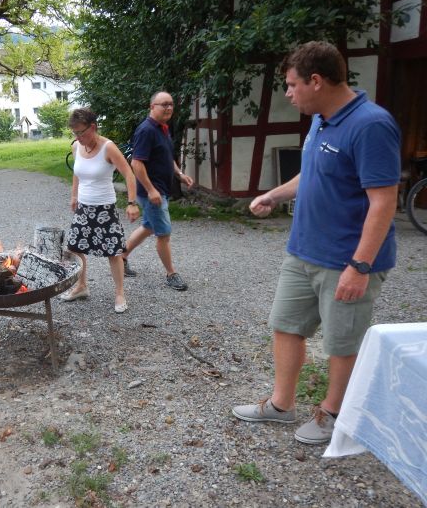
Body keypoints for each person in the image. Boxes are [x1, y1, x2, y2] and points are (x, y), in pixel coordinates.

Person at [232, 41, 401, 445]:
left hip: (346, 260)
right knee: (285, 326)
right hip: (303, 251)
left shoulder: (371, 125)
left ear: (316, 80)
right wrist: (274, 195)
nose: (288, 93)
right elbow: (311, 173)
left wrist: (360, 266)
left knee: (342, 343)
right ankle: (281, 405)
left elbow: (384, 202)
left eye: (292, 85)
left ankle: (334, 413)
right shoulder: (322, 119)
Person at [61, 108, 140, 313]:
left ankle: (120, 293)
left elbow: (129, 174)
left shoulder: (108, 148)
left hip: (105, 209)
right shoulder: (77, 146)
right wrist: (74, 195)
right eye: (74, 133)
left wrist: (132, 203)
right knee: (75, 247)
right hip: (83, 207)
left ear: (93, 127)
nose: (78, 137)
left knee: (113, 252)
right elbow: (77, 172)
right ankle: (81, 286)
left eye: (81, 132)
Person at [121, 91, 194, 291]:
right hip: (152, 192)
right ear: (152, 107)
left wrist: (180, 174)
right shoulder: (147, 130)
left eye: (171, 104)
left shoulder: (162, 128)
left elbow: (166, 156)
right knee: (164, 233)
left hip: (158, 189)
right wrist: (151, 190)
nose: (168, 108)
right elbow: (136, 163)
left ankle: (122, 257)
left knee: (148, 226)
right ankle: (171, 274)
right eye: (164, 104)